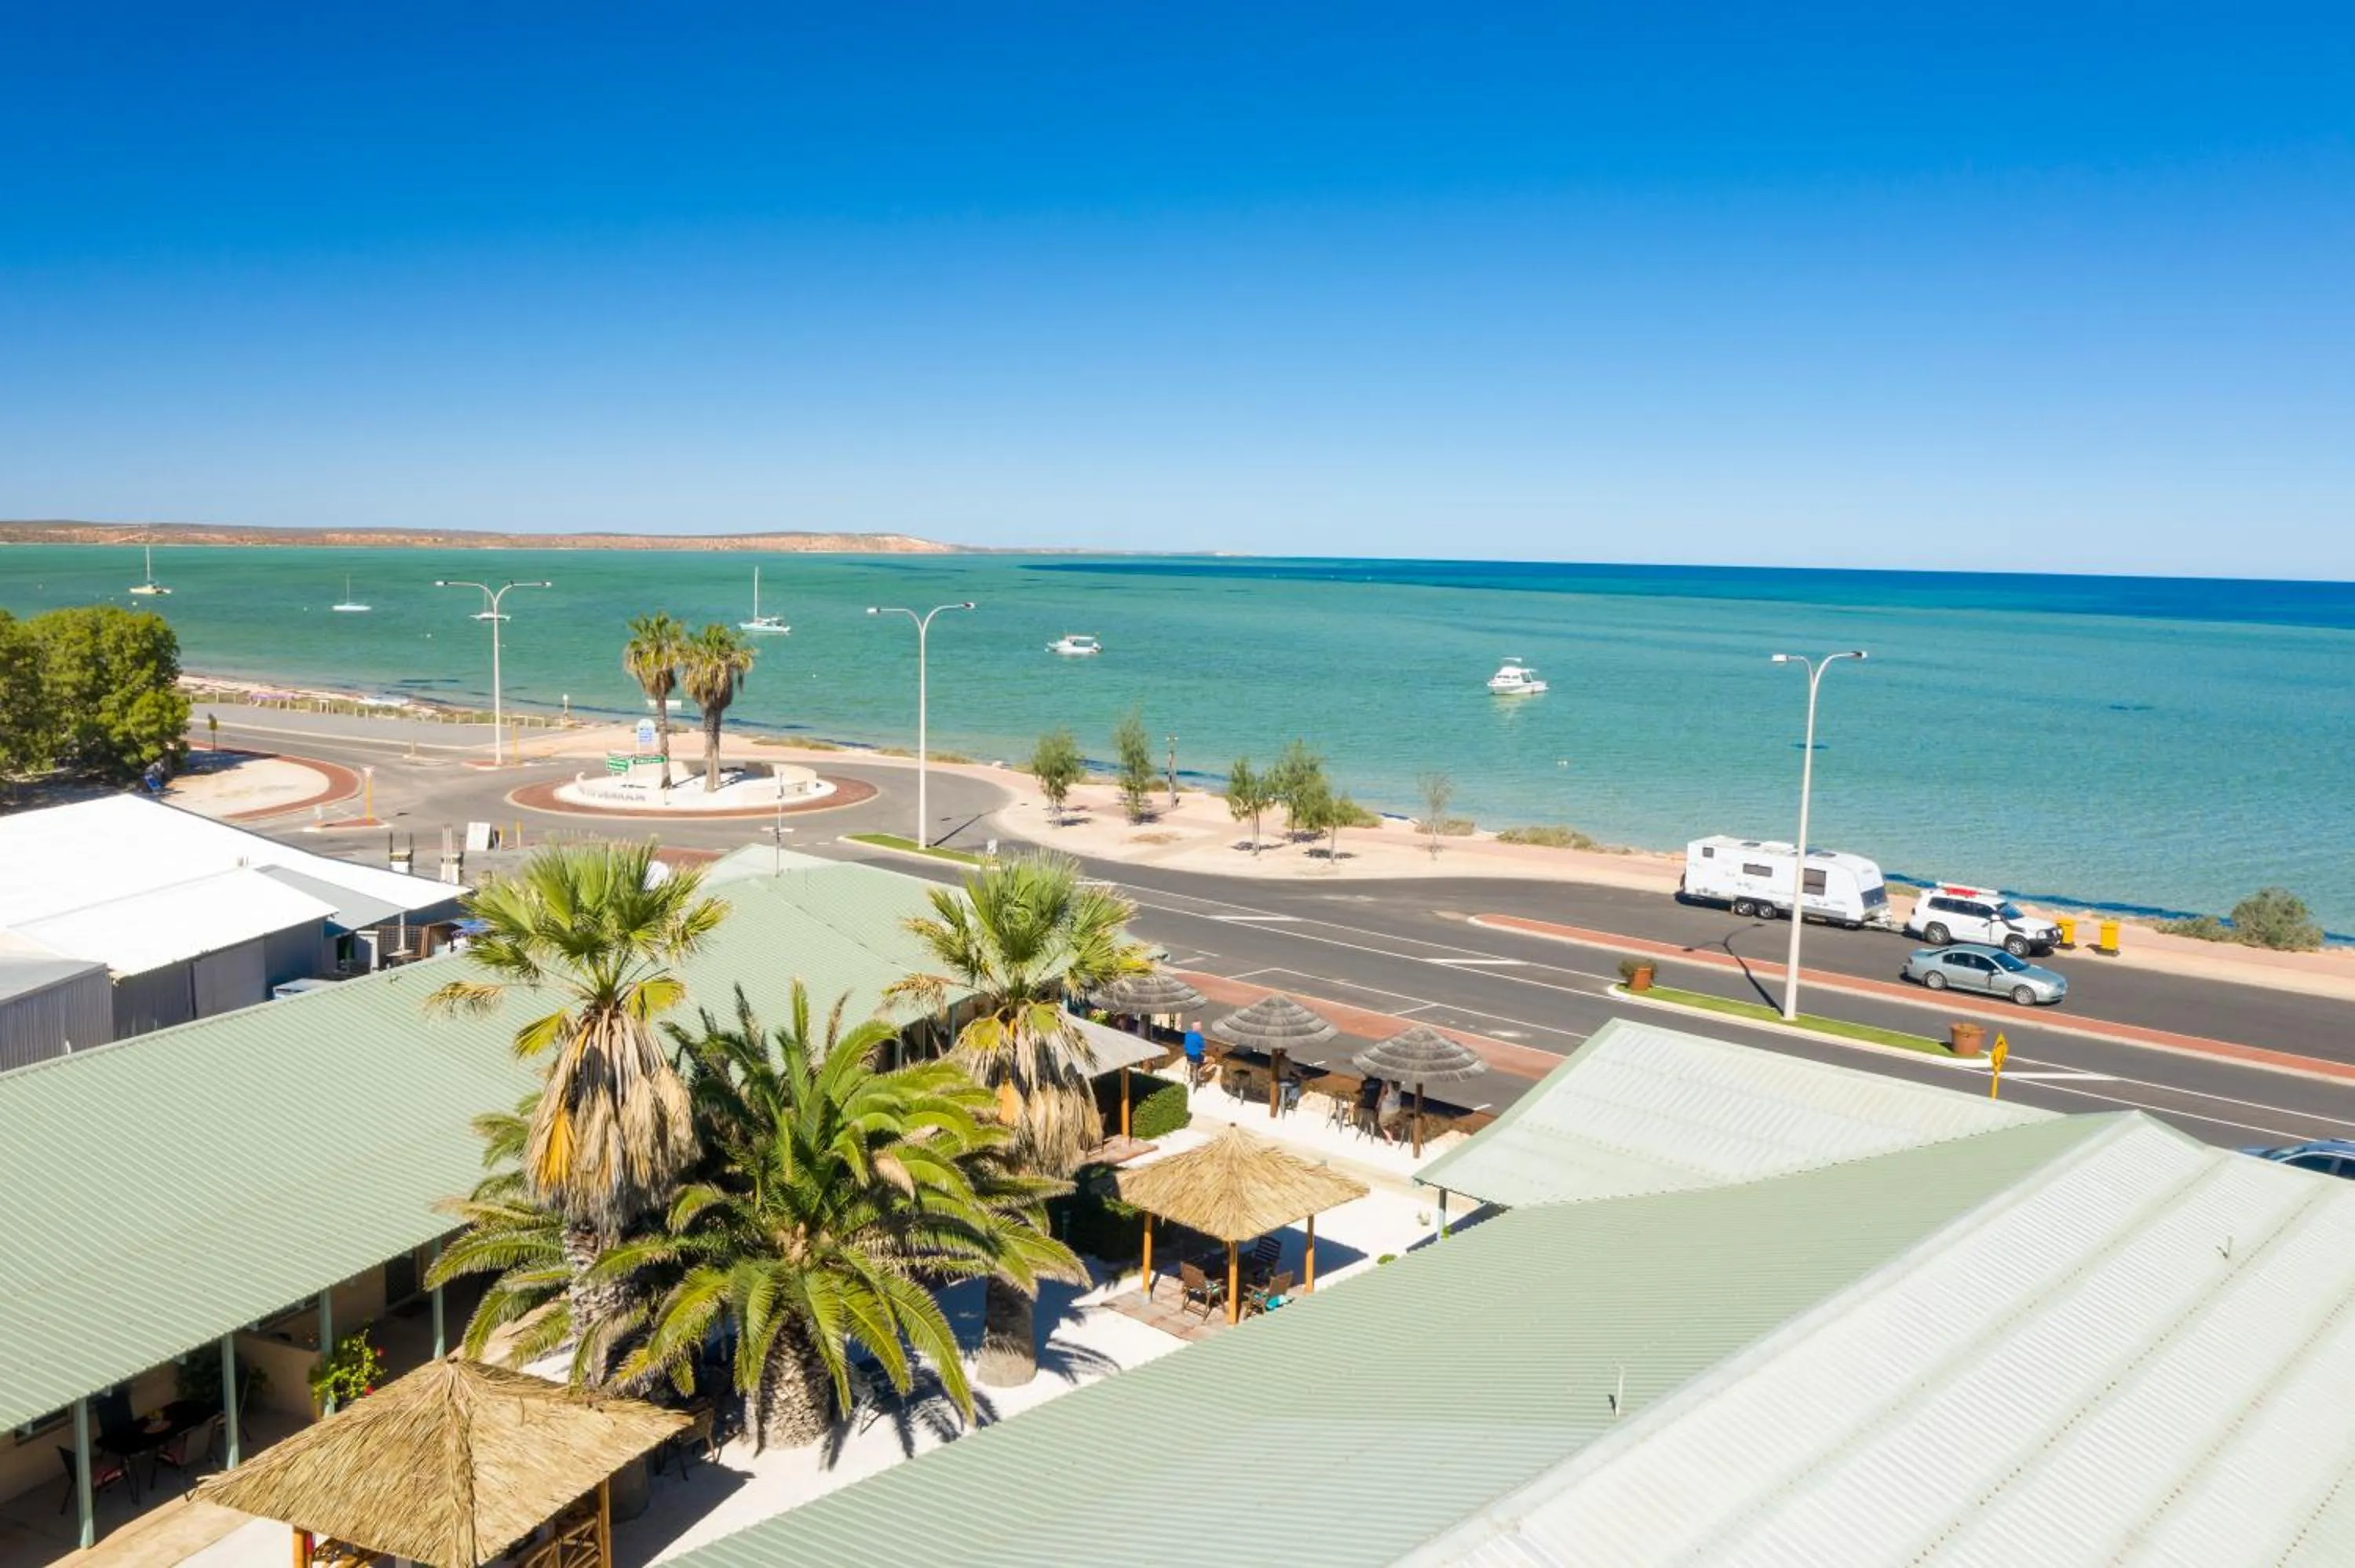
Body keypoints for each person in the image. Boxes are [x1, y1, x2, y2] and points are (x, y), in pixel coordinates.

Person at [1377, 1080, 1404, 1144]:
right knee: (1387, 1124)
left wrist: (1378, 1105)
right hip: (1392, 1107)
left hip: (1392, 1108)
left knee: (1385, 1124)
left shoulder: (1388, 1086)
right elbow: (1400, 1096)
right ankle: (1390, 1138)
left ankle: (1390, 1138)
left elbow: (1381, 1096)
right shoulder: (1397, 1085)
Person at [1183, 1022, 1207, 1086]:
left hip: (1188, 1057)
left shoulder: (1187, 1034)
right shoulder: (1199, 1037)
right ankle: (1200, 1070)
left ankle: (1194, 1073)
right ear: (1197, 1028)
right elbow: (1203, 1047)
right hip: (1196, 1058)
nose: (1201, 1028)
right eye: (1200, 1027)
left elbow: (1185, 1046)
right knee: (1212, 1060)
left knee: (1195, 1060)